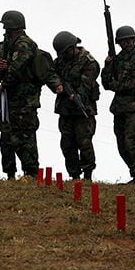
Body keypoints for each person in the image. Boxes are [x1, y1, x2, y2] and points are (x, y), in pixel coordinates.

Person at [0, 10, 61, 181]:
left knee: (25, 137)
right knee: (6, 136)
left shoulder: (25, 44)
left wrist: (5, 81)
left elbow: (16, 69)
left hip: (25, 100)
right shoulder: (2, 46)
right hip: (8, 100)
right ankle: (10, 173)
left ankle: (31, 172)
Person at [101, 25, 135, 184]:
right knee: (122, 144)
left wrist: (118, 85)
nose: (126, 44)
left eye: (128, 40)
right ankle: (134, 172)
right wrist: (108, 66)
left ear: (134, 40)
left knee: (133, 142)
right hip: (120, 108)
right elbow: (106, 83)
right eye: (122, 41)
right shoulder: (117, 60)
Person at [51, 31, 100, 181]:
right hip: (65, 109)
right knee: (67, 144)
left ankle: (87, 175)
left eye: (66, 52)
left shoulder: (88, 62)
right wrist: (57, 85)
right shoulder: (60, 61)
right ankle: (74, 175)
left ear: (73, 47)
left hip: (83, 109)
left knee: (84, 142)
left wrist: (77, 96)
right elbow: (51, 74)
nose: (64, 56)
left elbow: (86, 84)